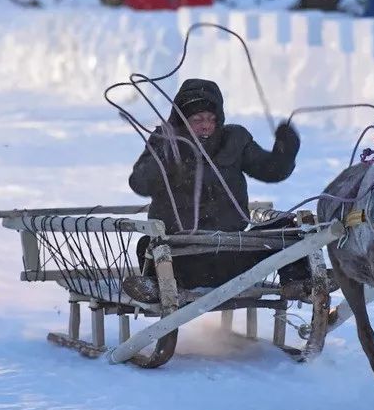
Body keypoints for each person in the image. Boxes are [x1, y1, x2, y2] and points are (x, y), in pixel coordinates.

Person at [128, 79, 301, 289]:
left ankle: (298, 284)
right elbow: (139, 183)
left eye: (211, 118)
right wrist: (169, 153)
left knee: (288, 229)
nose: (206, 125)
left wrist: (286, 150)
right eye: (198, 119)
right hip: (180, 257)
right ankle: (153, 289)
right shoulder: (164, 141)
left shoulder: (234, 139)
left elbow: (272, 170)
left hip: (232, 254)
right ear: (182, 120)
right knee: (146, 246)